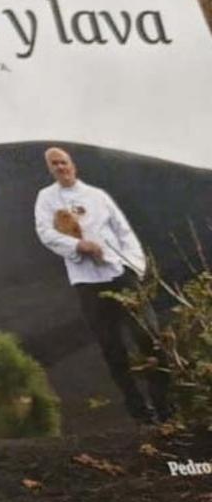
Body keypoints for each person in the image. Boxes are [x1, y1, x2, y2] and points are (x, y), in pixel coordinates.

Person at [33, 146, 169, 423]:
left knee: (149, 337)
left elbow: (123, 230)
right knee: (112, 347)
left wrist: (133, 265)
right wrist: (77, 244)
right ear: (50, 169)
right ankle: (140, 411)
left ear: (74, 165)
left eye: (64, 162)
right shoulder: (46, 198)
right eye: (55, 164)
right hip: (87, 282)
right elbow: (45, 232)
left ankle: (165, 407)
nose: (61, 167)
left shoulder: (97, 196)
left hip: (121, 273)